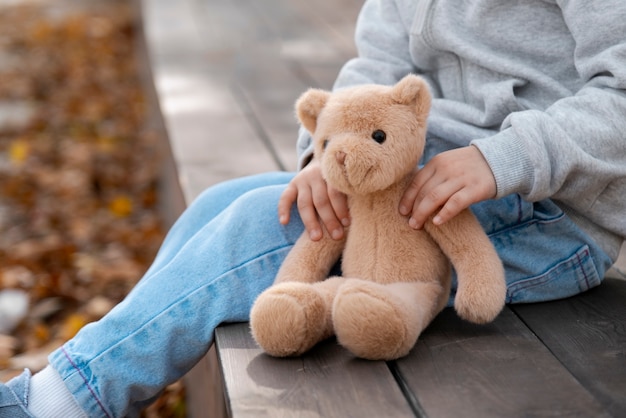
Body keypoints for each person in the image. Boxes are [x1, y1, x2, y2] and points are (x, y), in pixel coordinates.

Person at [2, 0, 625, 416]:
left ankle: (64, 402)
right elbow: (375, 69)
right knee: (227, 202)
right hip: (403, 167)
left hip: (545, 209)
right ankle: (104, 367)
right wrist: (318, 160)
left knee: (254, 227)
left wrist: (501, 160)